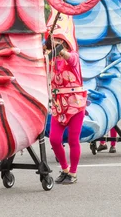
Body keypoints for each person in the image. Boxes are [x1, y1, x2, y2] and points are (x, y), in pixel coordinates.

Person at [47, 17, 86, 185]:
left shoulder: (74, 57)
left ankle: (74, 172)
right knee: (54, 139)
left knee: (72, 140)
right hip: (58, 105)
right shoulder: (50, 60)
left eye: (61, 41)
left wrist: (61, 51)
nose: (57, 43)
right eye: (56, 41)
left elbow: (70, 58)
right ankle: (64, 168)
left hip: (75, 104)